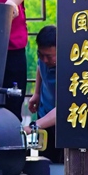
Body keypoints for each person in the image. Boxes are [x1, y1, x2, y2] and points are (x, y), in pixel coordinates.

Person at [27, 24, 61, 164]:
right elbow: (39, 67)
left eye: (49, 56)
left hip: (60, 122)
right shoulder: (43, 60)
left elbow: (64, 109)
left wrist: (33, 126)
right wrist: (36, 93)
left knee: (59, 164)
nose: (45, 60)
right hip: (44, 116)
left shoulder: (71, 68)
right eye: (41, 55)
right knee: (45, 162)